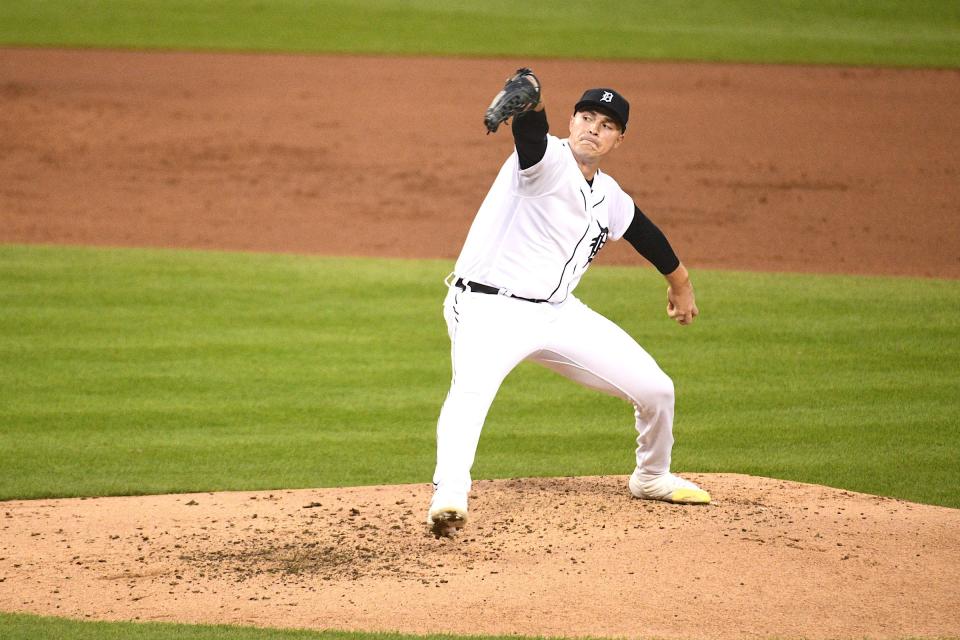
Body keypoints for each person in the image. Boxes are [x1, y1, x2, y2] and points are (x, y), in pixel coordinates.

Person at [427, 69, 708, 537]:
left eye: (607, 124)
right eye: (586, 116)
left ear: (619, 139)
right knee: (471, 392)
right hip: (488, 308)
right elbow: (532, 135)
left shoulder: (609, 194)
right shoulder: (543, 162)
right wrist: (532, 98)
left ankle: (652, 476)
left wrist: (681, 284)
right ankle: (450, 493)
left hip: (557, 313)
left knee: (657, 389)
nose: (593, 128)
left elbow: (646, 234)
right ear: (572, 121)